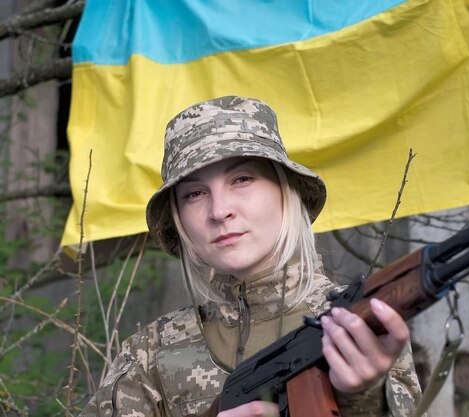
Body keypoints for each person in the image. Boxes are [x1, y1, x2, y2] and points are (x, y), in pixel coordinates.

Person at [79, 96, 421, 417]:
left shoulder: (357, 328)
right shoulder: (149, 354)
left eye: (242, 179)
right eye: (195, 193)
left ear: (287, 193)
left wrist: (364, 397)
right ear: (179, 218)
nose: (219, 210)